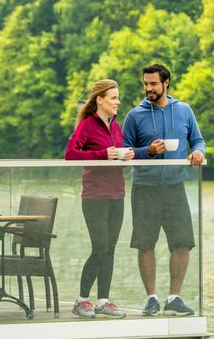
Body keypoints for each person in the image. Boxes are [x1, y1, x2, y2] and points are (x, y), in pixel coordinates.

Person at [123, 64, 206, 317]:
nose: (148, 89)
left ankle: (174, 297)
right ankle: (152, 298)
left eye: (153, 84)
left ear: (166, 82)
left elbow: (198, 140)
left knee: (182, 243)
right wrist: (147, 151)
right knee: (145, 244)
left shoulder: (184, 110)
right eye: (145, 84)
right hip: (144, 187)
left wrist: (198, 152)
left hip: (174, 187)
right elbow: (124, 151)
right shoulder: (134, 115)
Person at [64, 79, 134, 319]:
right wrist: (102, 154)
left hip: (117, 194)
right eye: (114, 98)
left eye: (118, 97)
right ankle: (81, 300)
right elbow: (70, 154)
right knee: (100, 248)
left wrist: (126, 156)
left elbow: (114, 154)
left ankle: (103, 300)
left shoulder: (115, 125)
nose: (118, 102)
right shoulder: (87, 125)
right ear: (100, 100)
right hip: (94, 195)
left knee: (111, 249)